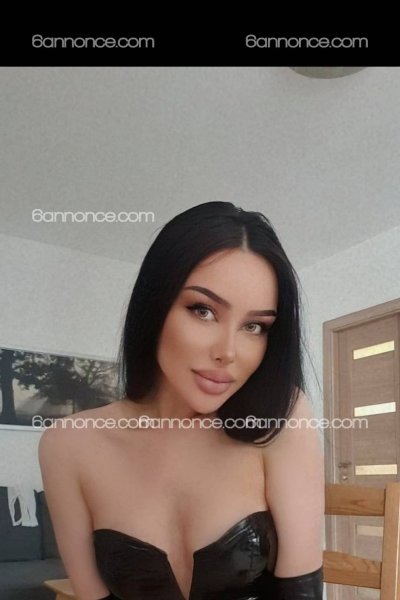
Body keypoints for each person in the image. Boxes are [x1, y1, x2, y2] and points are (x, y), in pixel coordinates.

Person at [38, 201, 325, 600]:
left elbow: (301, 592)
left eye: (254, 326)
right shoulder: (68, 445)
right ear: (154, 305)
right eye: (203, 310)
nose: (229, 352)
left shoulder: (280, 417)